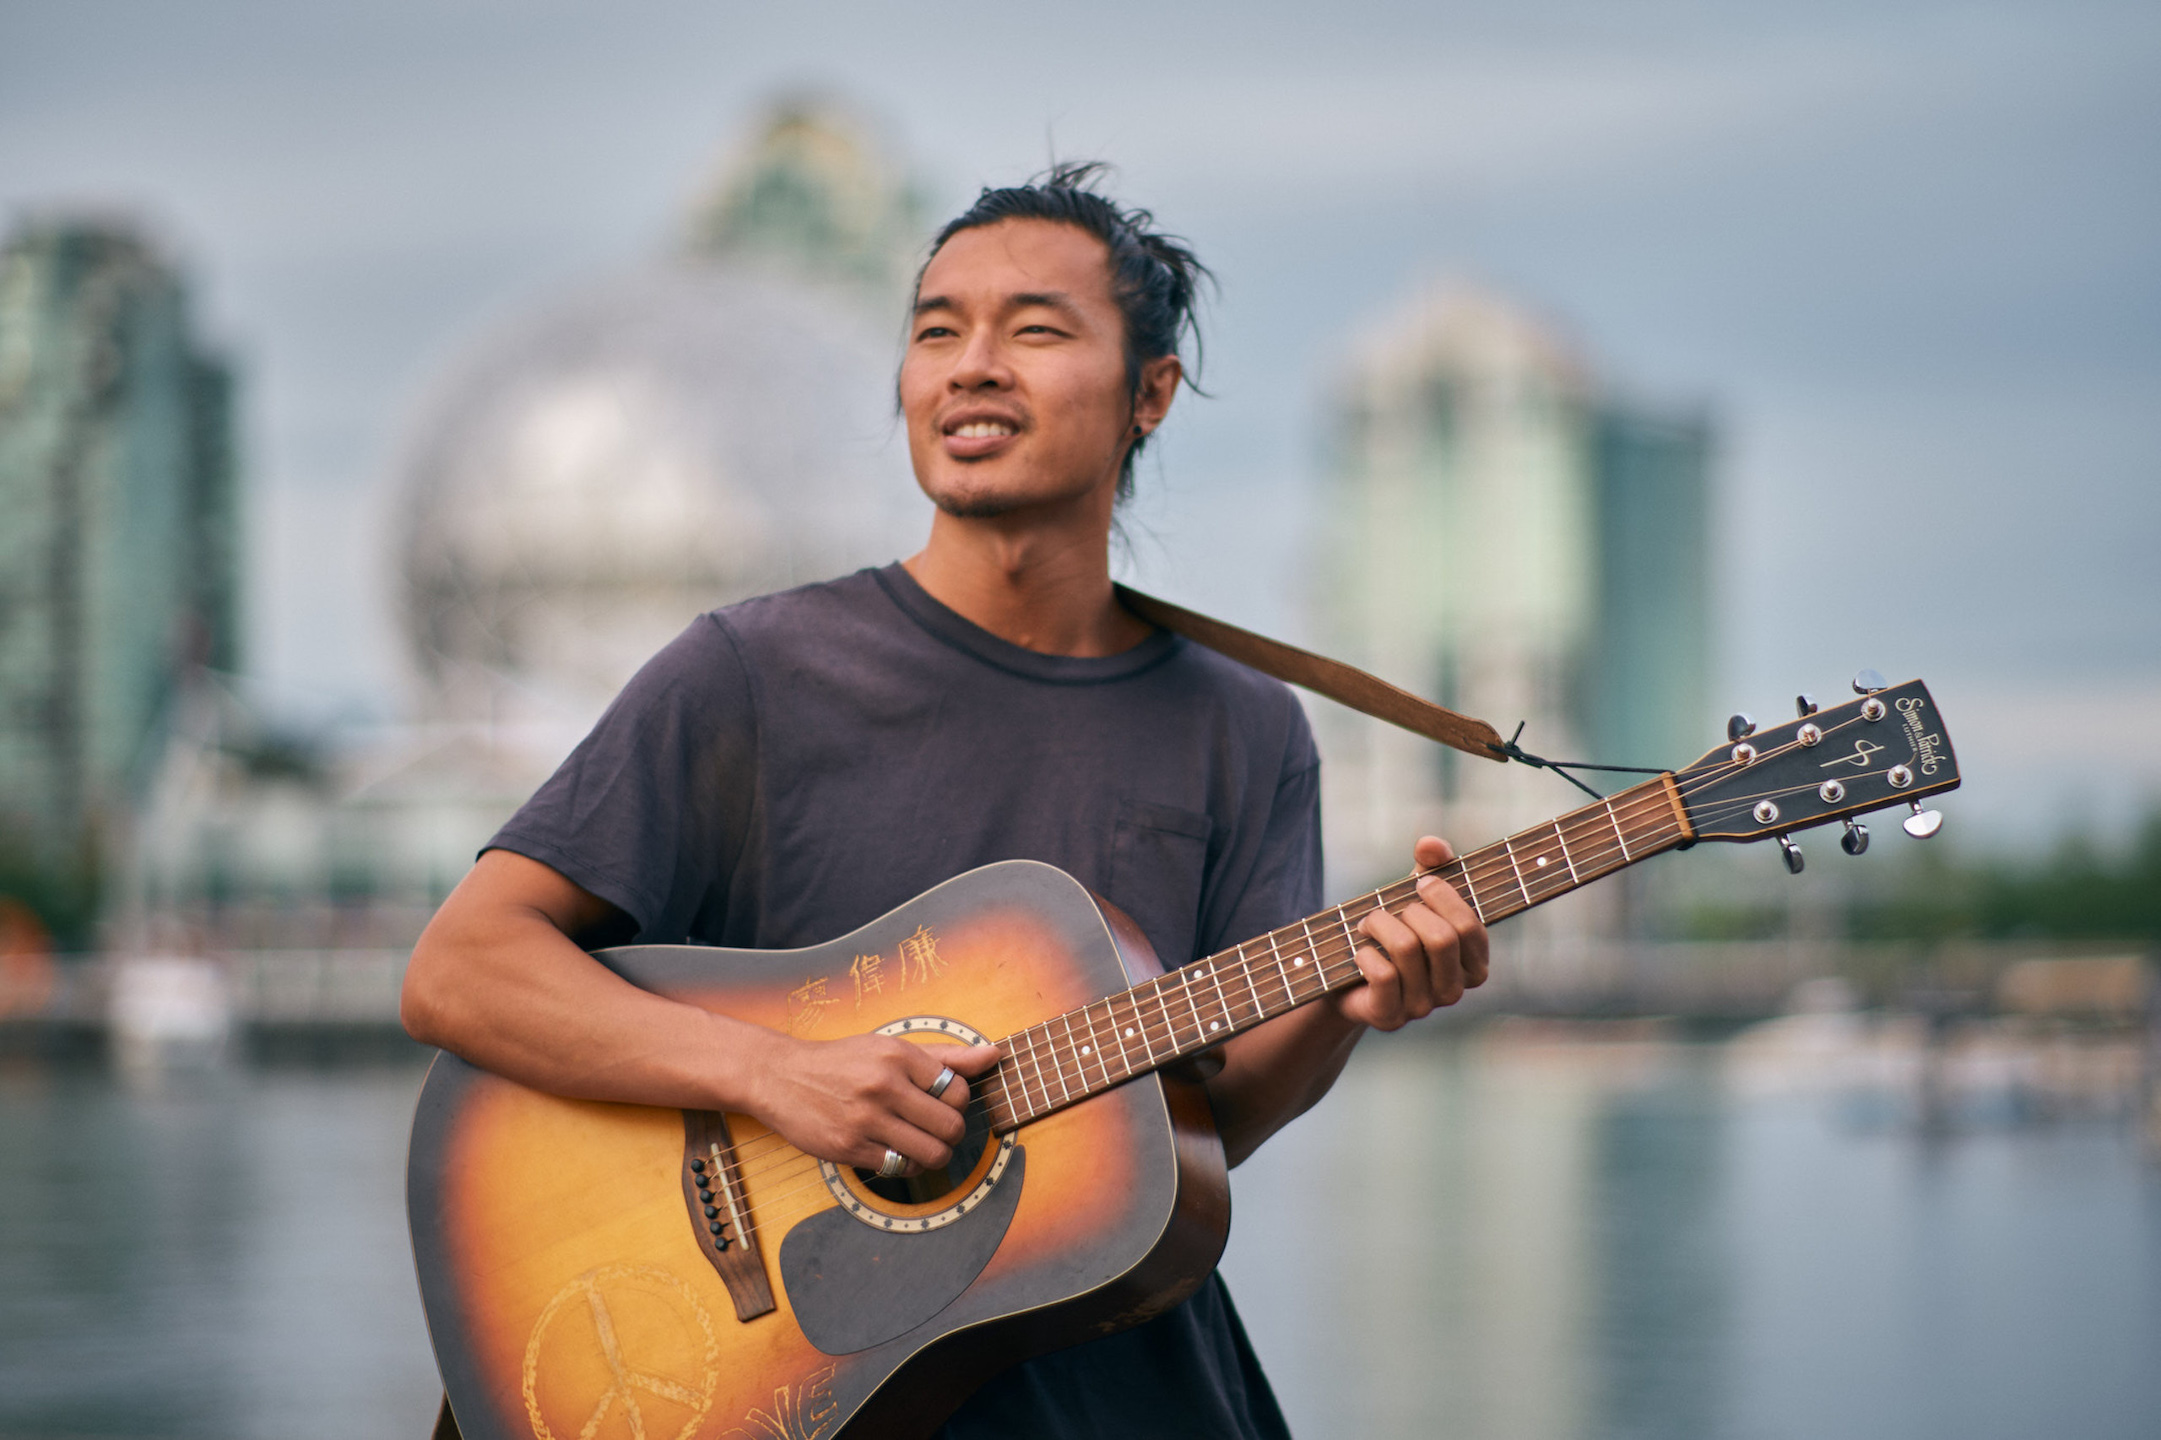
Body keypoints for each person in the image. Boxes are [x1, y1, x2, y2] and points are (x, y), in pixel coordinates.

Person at [400, 163, 1490, 1439]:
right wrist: (774, 1075)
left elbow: (1204, 1126)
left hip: (1123, 1386)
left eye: (1033, 329)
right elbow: (462, 969)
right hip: (810, 1392)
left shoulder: (1243, 724)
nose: (970, 365)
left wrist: (1352, 1007)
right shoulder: (750, 674)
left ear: (1151, 393)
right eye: (935, 331)